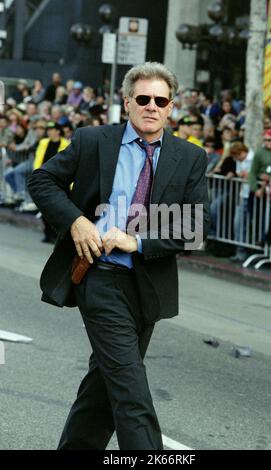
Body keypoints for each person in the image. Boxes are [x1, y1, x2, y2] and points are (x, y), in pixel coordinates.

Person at [28, 61, 210, 450]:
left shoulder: (190, 157)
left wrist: (139, 242)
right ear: (127, 102)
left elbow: (196, 226)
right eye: (143, 98)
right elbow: (42, 179)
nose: (152, 107)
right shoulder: (94, 141)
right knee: (130, 388)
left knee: (104, 386)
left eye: (161, 100)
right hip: (100, 276)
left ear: (171, 107)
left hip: (148, 285)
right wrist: (76, 221)